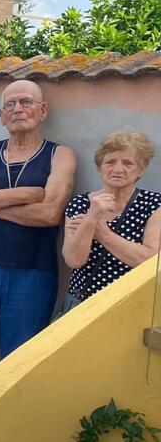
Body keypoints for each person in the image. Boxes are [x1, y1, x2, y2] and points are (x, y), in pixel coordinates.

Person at [0, 79, 76, 361]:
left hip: (33, 271)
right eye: (10, 104)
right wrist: (25, 194)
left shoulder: (60, 155)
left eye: (25, 102)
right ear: (1, 116)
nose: (17, 109)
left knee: (19, 358)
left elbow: (49, 214)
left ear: (42, 111)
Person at [61, 129, 161, 313]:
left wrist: (102, 233)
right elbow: (74, 259)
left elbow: (150, 261)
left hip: (132, 304)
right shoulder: (81, 203)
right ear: (100, 168)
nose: (118, 169)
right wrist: (91, 217)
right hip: (85, 304)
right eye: (110, 162)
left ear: (141, 169)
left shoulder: (154, 205)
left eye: (128, 163)